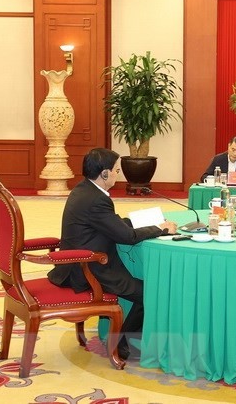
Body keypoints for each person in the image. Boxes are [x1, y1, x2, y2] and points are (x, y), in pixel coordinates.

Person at [47, 148, 177, 360]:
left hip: (78, 264)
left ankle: (127, 340)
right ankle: (120, 344)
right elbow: (127, 237)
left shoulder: (84, 190)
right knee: (149, 292)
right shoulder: (96, 200)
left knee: (144, 289)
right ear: (105, 173)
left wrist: (142, 222)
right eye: (117, 170)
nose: (119, 174)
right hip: (88, 268)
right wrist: (161, 229)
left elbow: (109, 224)